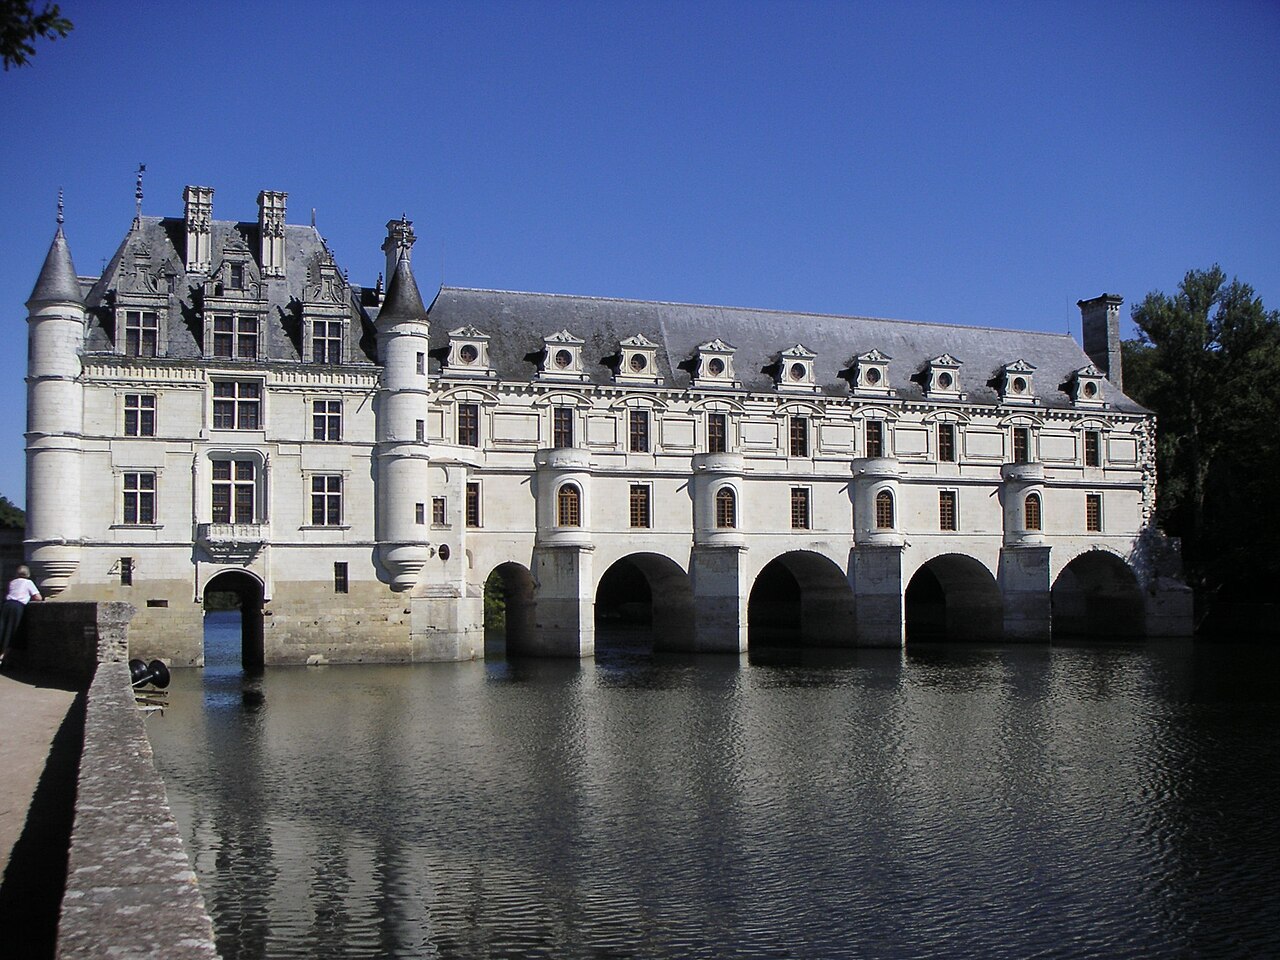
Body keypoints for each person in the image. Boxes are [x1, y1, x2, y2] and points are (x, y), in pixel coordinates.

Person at [0, 565, 42, 668]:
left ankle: (4, 657)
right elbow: (38, 597)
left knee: (3, 631)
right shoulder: (28, 583)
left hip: (6, 606)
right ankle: (2, 657)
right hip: (17, 607)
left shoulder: (12, 582)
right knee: (12, 632)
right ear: (27, 574)